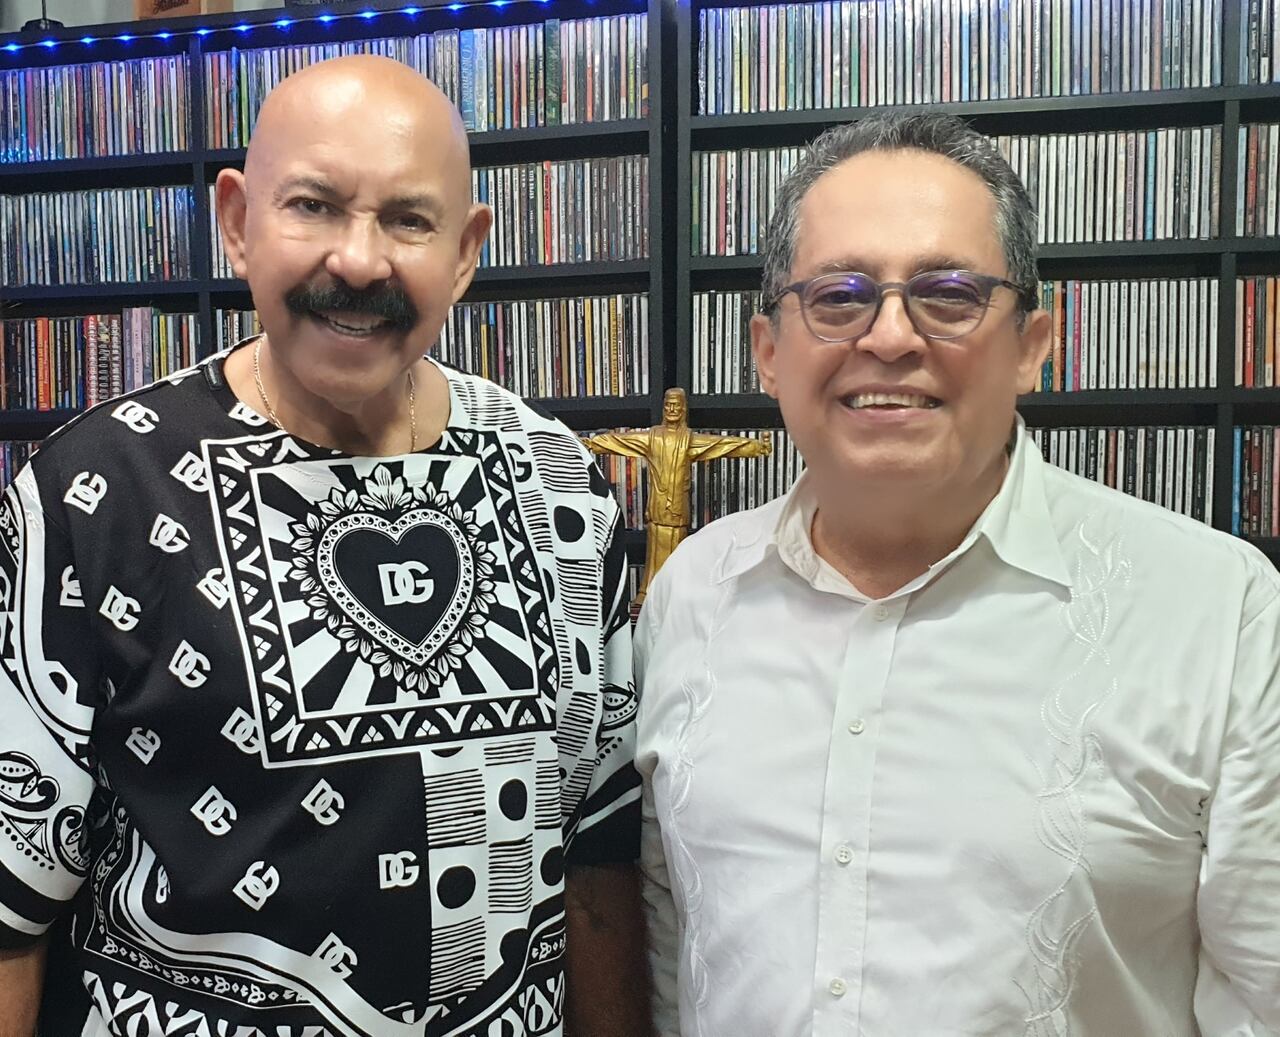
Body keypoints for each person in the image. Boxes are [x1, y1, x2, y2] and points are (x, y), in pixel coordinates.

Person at [0, 55, 649, 1037]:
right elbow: (12, 896)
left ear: (467, 249)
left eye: (407, 219)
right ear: (236, 220)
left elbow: (597, 851)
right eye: (313, 205)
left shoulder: (559, 479)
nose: (357, 260)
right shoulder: (92, 494)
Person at [634, 112, 1280, 1036]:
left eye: (947, 292)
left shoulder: (1219, 612)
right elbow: (672, 952)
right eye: (839, 295)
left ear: (1031, 344)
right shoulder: (693, 593)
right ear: (769, 352)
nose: (891, 336)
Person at [585, 388, 771, 603]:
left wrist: (755, 447)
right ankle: (648, 595)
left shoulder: (689, 439)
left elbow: (720, 445)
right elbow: (622, 441)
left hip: (678, 512)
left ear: (684, 408)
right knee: (654, 557)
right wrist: (590, 443)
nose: (672, 409)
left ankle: (675, 597)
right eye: (668, 405)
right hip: (657, 510)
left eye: (677, 404)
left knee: (678, 557)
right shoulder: (653, 437)